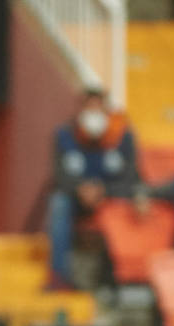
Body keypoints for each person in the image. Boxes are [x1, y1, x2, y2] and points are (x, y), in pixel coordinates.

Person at [47, 88, 139, 288]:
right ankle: (58, 276)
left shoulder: (123, 137)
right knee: (58, 203)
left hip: (110, 195)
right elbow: (59, 176)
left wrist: (103, 190)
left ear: (107, 111)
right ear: (80, 111)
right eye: (89, 107)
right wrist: (81, 189)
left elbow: (131, 177)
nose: (94, 113)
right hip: (76, 197)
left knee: (129, 205)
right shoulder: (64, 135)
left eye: (99, 108)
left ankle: (118, 278)